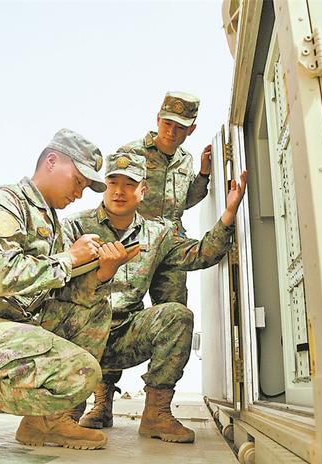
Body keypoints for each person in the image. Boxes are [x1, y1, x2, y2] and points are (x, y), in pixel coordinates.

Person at [0, 129, 138, 451]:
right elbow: (0, 277)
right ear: (52, 161)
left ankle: (46, 423)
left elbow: (58, 292)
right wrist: (68, 259)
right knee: (81, 372)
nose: (80, 193)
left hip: (6, 325)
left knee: (94, 307)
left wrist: (102, 272)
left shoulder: (50, 223)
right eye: (78, 181)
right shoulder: (4, 202)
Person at [62, 152, 247, 443]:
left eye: (129, 184)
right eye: (113, 182)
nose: (119, 191)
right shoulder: (74, 226)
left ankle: (156, 414)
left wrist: (228, 214)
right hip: (79, 334)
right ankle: (67, 413)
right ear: (104, 185)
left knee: (176, 315)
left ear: (143, 191)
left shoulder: (157, 235)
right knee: (62, 318)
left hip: (123, 336)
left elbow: (201, 254)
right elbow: (53, 283)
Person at [116, 91, 213, 306]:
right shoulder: (131, 153)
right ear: (158, 119)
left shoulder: (185, 159)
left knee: (173, 310)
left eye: (180, 128)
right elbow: (115, 199)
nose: (171, 132)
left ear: (191, 130)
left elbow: (185, 201)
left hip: (171, 244)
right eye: (167, 123)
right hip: (135, 243)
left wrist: (204, 174)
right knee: (124, 308)